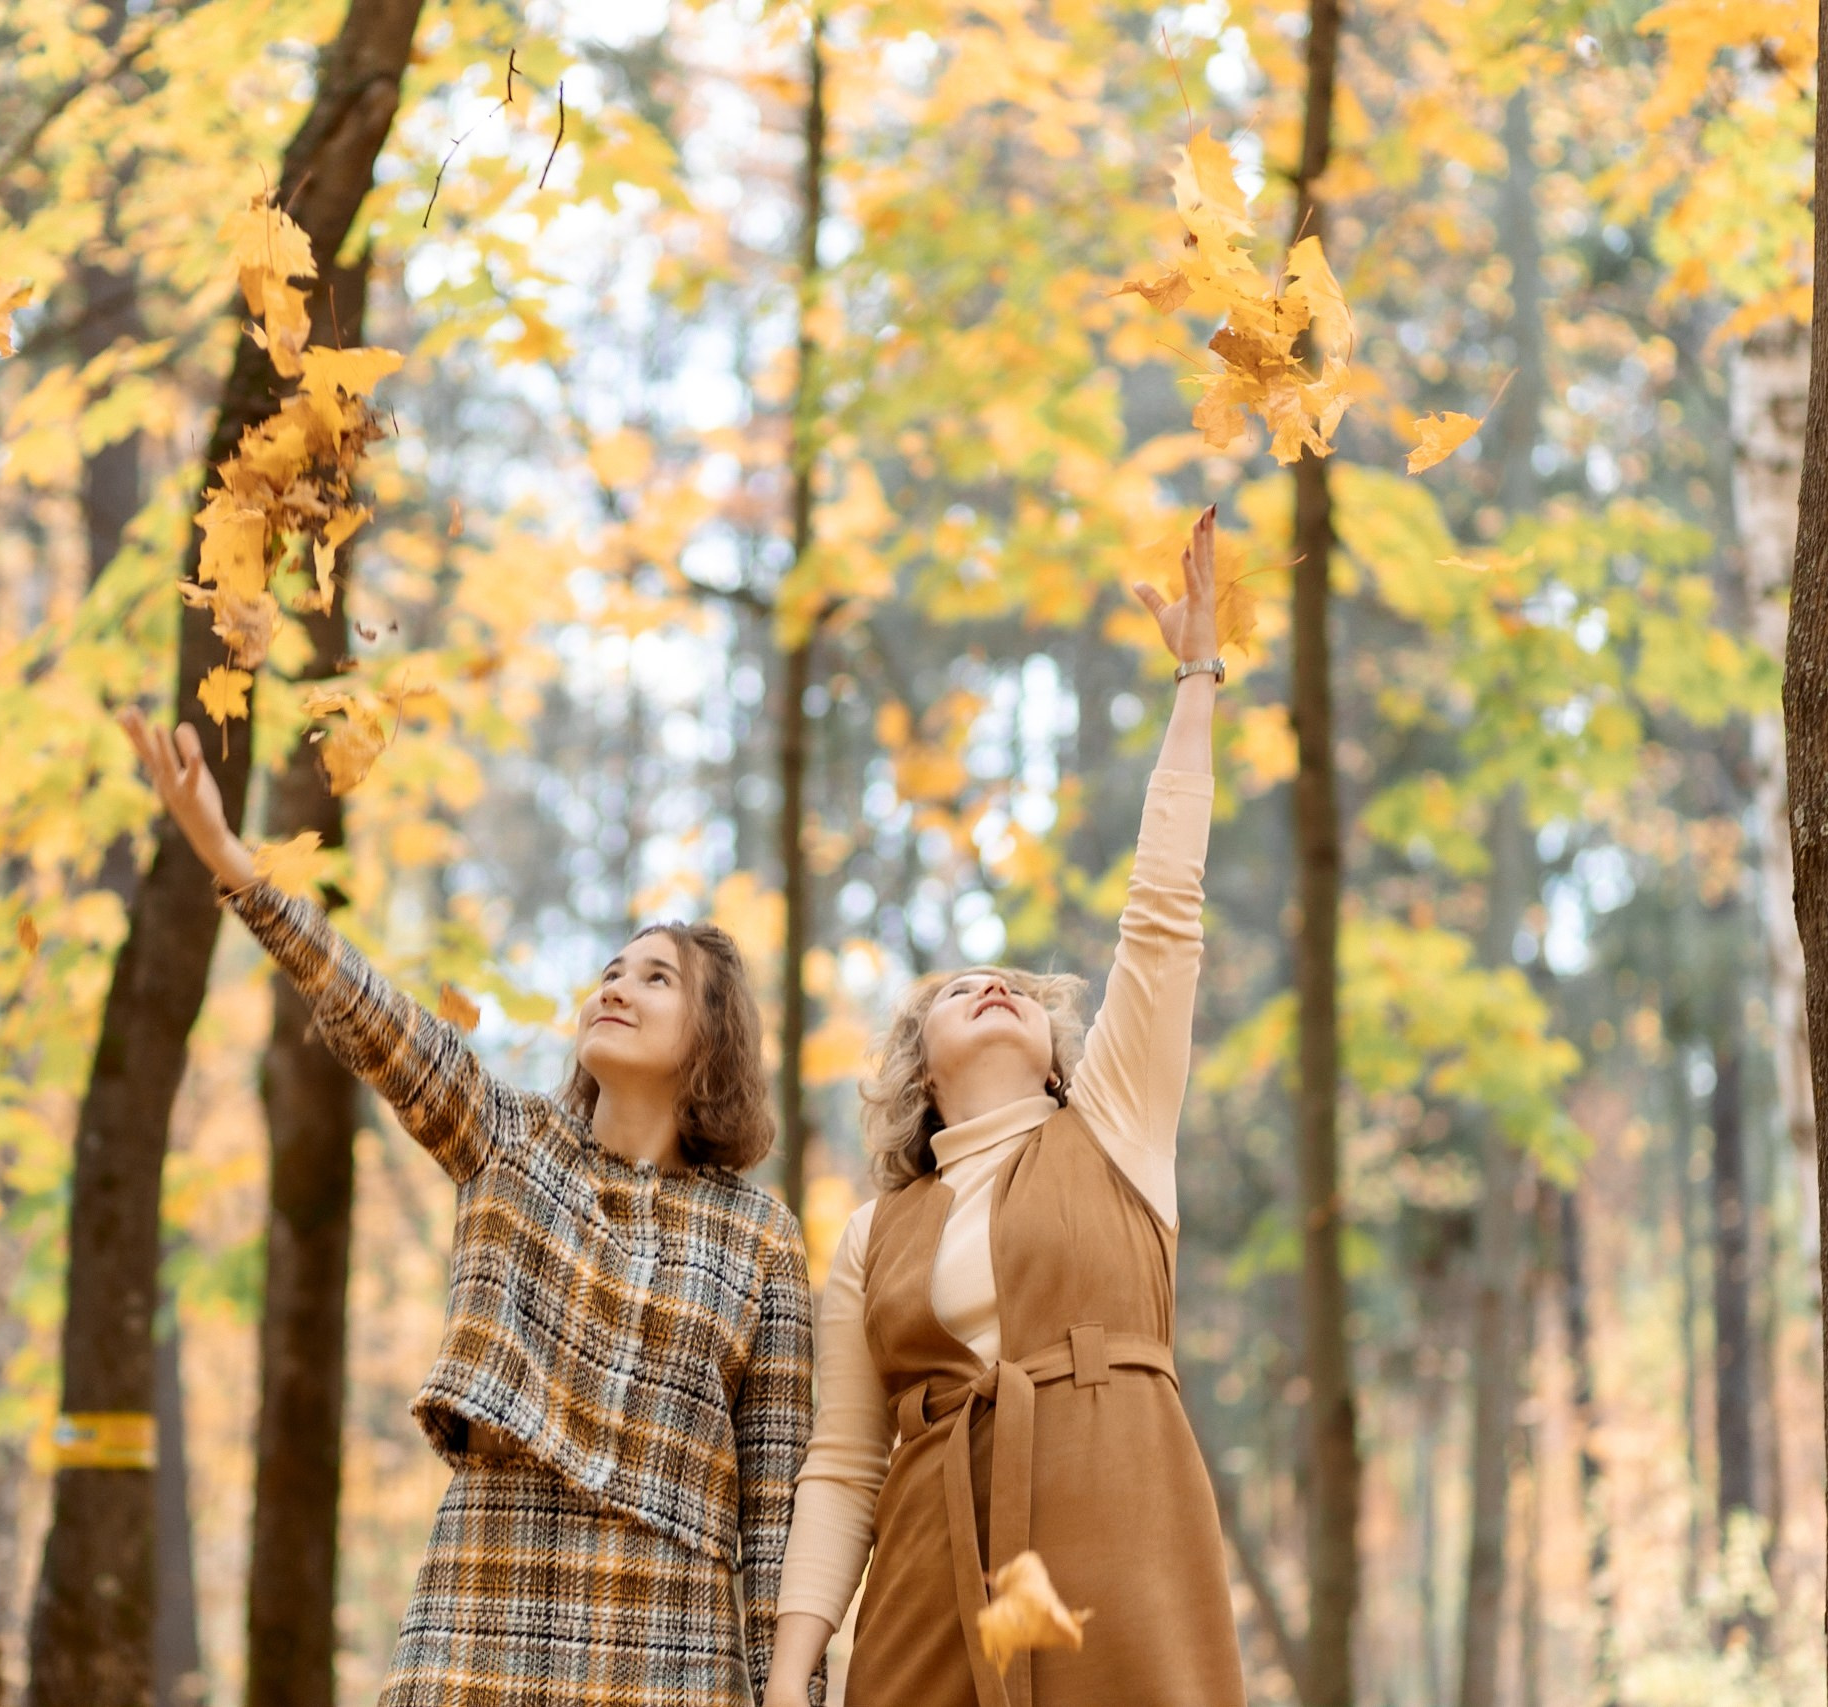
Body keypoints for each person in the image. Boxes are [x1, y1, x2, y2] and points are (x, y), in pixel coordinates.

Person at [120, 707, 820, 1707]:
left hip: (672, 1641)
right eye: (610, 972)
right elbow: (373, 1015)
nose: (616, 987)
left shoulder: (761, 1234)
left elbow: (776, 1503)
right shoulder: (508, 1138)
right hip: (485, 1603)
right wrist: (231, 859)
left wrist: (791, 1691)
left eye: (655, 977)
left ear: (712, 1037)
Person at [761, 506, 1243, 1707]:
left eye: (1021, 989)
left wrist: (1196, 681)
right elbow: (842, 1464)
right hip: (927, 1583)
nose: (995, 986)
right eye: (958, 988)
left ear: (1057, 1055)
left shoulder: (1114, 1126)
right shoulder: (872, 1236)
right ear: (917, 1072)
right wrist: (790, 1668)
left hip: (1117, 1543)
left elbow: (1163, 916)